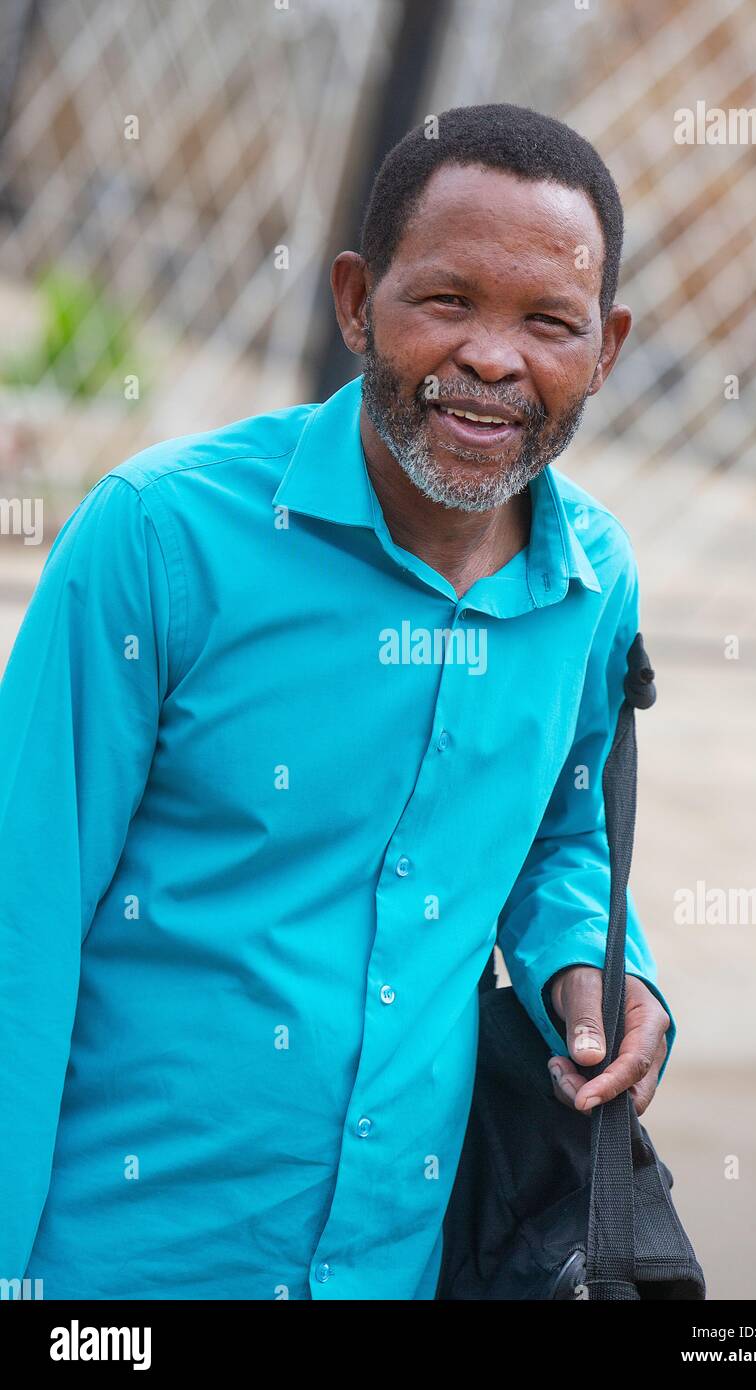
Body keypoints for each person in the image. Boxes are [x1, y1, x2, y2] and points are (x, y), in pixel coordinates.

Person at [0, 102, 674, 1300]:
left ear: (606, 349)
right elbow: (19, 919)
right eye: (447, 300)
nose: (492, 358)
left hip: (394, 1269)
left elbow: (562, 832)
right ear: (356, 300)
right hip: (116, 1272)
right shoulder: (159, 539)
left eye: (548, 322)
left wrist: (590, 958)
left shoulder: (592, 583)